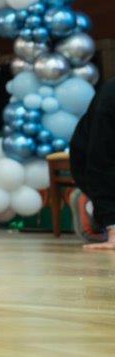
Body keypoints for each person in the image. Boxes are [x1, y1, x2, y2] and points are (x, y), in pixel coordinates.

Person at [69, 76, 115, 250]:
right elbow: (100, 162)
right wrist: (113, 227)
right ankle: (91, 208)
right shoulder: (110, 98)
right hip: (94, 163)